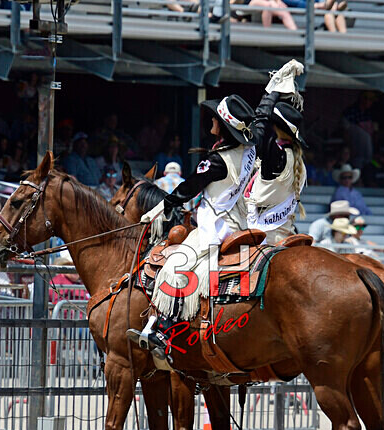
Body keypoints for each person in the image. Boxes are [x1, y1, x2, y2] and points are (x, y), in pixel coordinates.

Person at [129, 91, 261, 360]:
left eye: (215, 117)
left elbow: (188, 188)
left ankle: (164, 328)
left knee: (175, 264)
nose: (210, 120)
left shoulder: (217, 160)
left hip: (217, 223)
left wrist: (159, 209)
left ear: (223, 126)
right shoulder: (249, 151)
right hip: (239, 218)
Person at [244, 94, 308, 244]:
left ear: (275, 128)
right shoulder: (298, 161)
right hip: (286, 232)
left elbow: (259, 132)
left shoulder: (276, 156)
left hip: (262, 236)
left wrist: (271, 95)